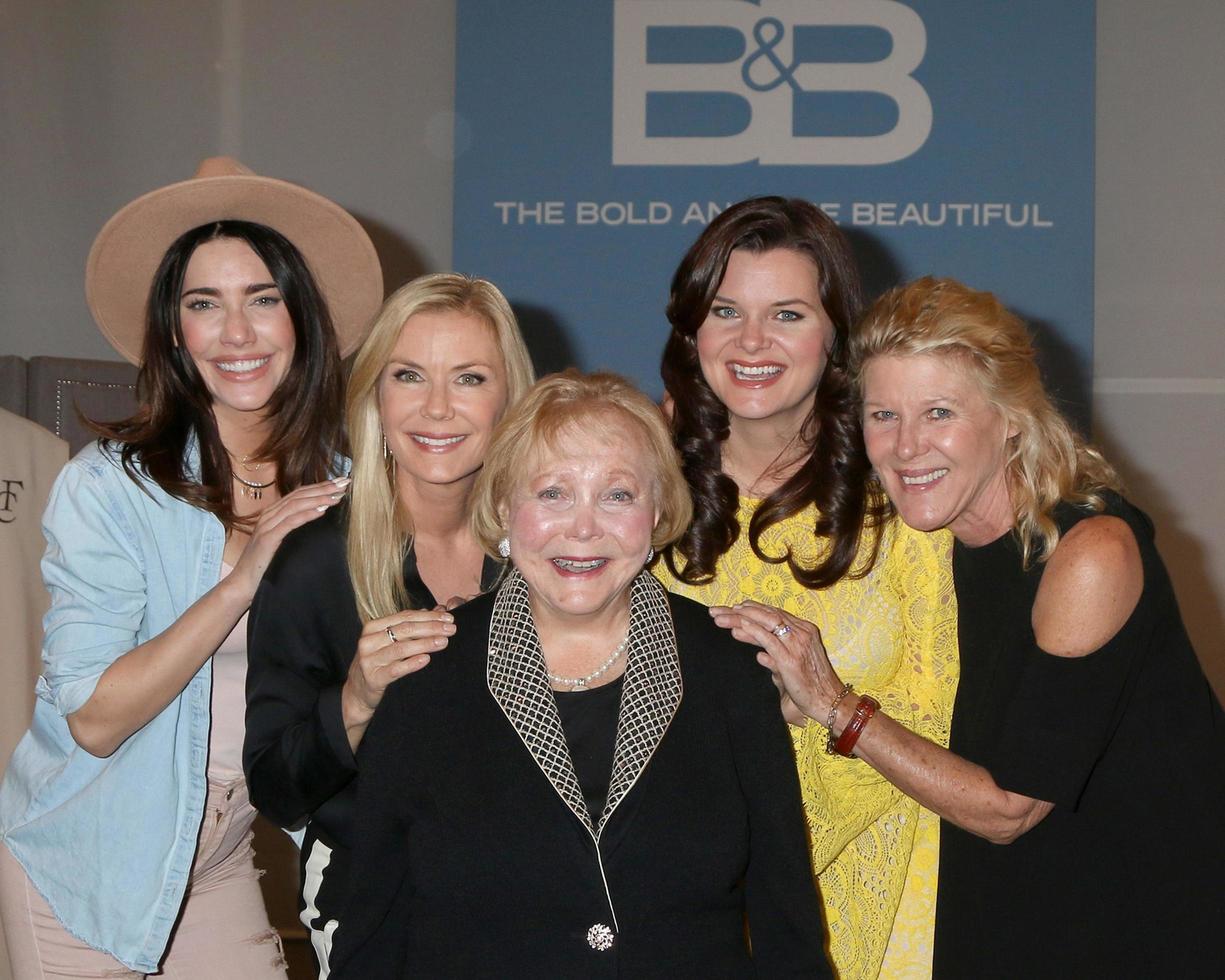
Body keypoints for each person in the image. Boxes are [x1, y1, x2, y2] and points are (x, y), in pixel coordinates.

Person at [724, 276, 1225, 977]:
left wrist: (834, 705)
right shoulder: (920, 541)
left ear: (1011, 417)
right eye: (882, 416)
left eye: (938, 413)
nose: (905, 448)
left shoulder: (1088, 553)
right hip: (1007, 919)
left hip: (1138, 929)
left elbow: (1008, 808)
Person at [0, 157, 383, 977]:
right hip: (83, 860)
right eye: (203, 304)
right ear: (175, 332)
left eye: (263, 300)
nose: (235, 334)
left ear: (303, 320)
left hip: (216, 860)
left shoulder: (349, 490)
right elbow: (95, 722)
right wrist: (241, 582)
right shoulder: (110, 486)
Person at [326, 371, 831, 978]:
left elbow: (787, 927)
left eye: (617, 495)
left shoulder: (732, 671)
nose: (583, 528)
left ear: (659, 511)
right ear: (504, 508)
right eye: (552, 493)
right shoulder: (424, 678)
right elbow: (375, 929)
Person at [653, 196, 958, 977]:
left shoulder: (907, 494)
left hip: (893, 917)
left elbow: (949, 719)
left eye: (786, 314)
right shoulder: (639, 498)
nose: (751, 342)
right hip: (695, 919)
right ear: (692, 330)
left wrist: (820, 706)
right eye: (725, 310)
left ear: (834, 336)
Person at [243, 272, 535, 976]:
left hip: (536, 895)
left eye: (468, 378)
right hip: (375, 901)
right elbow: (276, 786)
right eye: (409, 376)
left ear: (509, 400)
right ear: (375, 392)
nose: (437, 408)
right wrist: (355, 700)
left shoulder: (551, 550)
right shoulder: (315, 559)